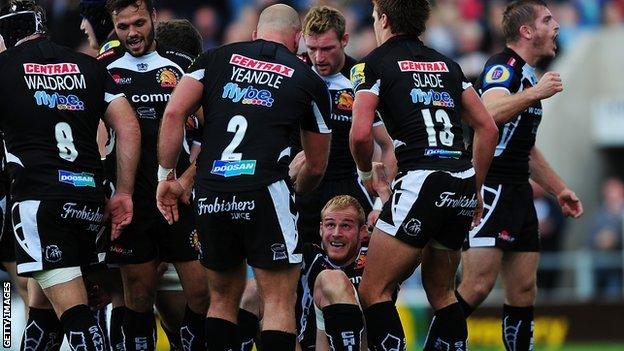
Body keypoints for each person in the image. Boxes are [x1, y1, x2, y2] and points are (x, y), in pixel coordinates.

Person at [156, 4, 332, 350]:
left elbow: (174, 111)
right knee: (279, 302)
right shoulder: (307, 78)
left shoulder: (214, 59)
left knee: (221, 299)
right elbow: (315, 164)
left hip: (213, 191)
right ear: (297, 39)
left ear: (255, 34)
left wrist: (167, 175)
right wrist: (296, 189)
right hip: (265, 188)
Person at [350, 1, 498, 350]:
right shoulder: (448, 64)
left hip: (422, 180)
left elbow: (359, 134)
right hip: (460, 180)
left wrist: (365, 171)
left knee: (374, 290)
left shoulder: (374, 64)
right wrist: (474, 189)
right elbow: (487, 128)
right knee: (443, 292)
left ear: (383, 19)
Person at [0, 1, 140, 350]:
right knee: (44, 312)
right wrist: (123, 191)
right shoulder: (87, 66)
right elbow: (128, 127)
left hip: (39, 202)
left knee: (76, 316)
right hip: (89, 202)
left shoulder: (4, 69)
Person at [456, 1, 584, 350]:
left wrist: (559, 190)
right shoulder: (503, 67)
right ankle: (441, 343)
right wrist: (535, 93)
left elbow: (524, 149)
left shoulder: (527, 74)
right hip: (491, 187)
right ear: (527, 32)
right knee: (478, 286)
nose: (556, 26)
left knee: (525, 289)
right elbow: (485, 113)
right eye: (547, 20)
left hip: (518, 192)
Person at [98, 1, 209, 350]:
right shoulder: (103, 70)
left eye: (140, 23)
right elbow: (92, 138)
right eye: (123, 26)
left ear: (154, 19)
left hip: (177, 197)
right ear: (113, 25)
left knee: (202, 296)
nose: (132, 33)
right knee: (139, 298)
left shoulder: (181, 69)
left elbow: (212, 132)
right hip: (132, 200)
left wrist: (188, 179)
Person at [294, 5, 396, 245]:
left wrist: (381, 202)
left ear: (344, 40)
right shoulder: (293, 72)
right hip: (300, 186)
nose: (319, 58)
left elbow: (388, 144)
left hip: (347, 187)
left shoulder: (362, 78)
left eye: (327, 48)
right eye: (312, 49)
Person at [589, 177, 623, 298]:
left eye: (613, 190)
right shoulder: (599, 213)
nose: (610, 194)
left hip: (619, 263)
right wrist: (601, 240)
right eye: (608, 191)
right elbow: (591, 238)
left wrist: (615, 236)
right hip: (602, 264)